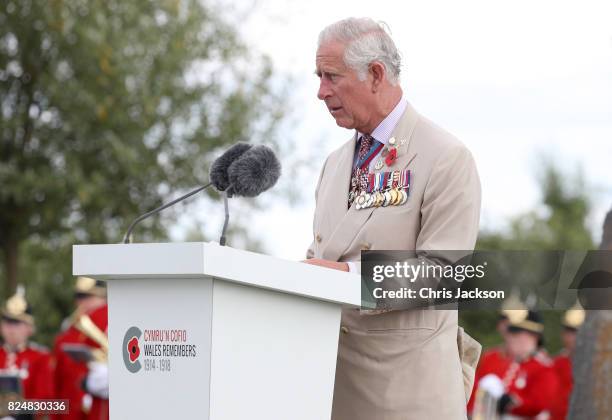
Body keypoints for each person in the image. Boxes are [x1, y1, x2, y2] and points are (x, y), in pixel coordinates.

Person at [303, 17, 482, 419]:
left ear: (376, 74)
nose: (320, 91)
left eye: (331, 76)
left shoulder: (445, 156)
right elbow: (320, 253)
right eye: (319, 76)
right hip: (331, 391)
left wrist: (345, 277)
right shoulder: (333, 165)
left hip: (406, 397)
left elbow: (443, 273)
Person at [473, 310, 559, 418]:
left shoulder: (544, 368)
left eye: (517, 334)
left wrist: (508, 402)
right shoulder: (507, 361)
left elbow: (539, 405)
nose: (510, 338)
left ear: (534, 337)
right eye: (511, 333)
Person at [52, 277, 107, 420]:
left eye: (88, 296)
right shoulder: (70, 328)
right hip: (70, 407)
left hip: (99, 404)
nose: (82, 302)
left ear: (102, 296)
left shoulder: (110, 320)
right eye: (79, 296)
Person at [0, 287, 54, 419]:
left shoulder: (41, 357)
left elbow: (47, 403)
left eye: (17, 323)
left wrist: (17, 410)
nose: (11, 329)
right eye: (7, 322)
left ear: (30, 328)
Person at [550, 304, 585, 420]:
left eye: (574, 333)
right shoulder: (556, 363)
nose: (570, 338)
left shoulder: (599, 366)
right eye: (568, 332)